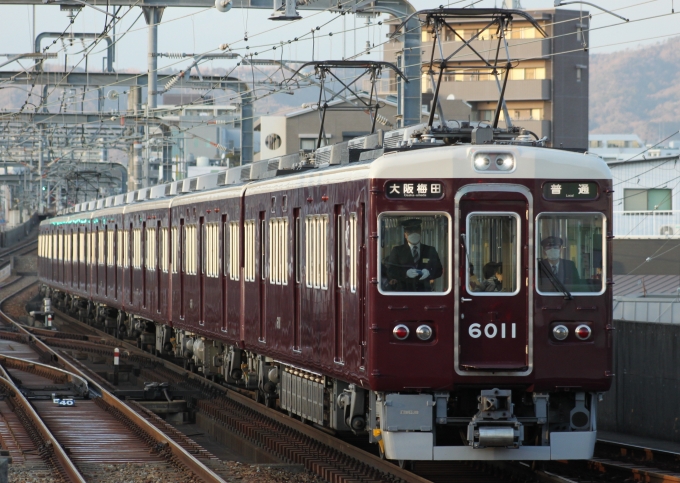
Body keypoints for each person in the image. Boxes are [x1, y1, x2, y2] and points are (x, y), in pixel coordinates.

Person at [387, 219, 443, 292]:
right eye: (410, 232)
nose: (413, 234)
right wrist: (405, 273)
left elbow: (438, 270)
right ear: (405, 235)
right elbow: (390, 271)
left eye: (416, 231)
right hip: (403, 292)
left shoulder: (430, 250)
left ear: (420, 232)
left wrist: (429, 272)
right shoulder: (397, 251)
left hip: (424, 292)